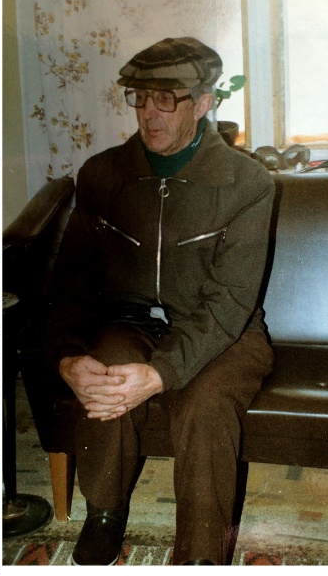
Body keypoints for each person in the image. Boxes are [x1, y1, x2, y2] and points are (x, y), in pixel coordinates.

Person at [44, 37, 275, 565]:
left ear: (204, 102)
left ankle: (200, 553)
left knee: (204, 402)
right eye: (140, 97)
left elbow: (230, 303)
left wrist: (162, 372)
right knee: (105, 373)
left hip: (225, 331)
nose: (150, 113)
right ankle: (104, 512)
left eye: (167, 99)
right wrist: (66, 356)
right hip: (130, 321)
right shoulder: (102, 175)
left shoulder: (247, 183)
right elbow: (72, 284)